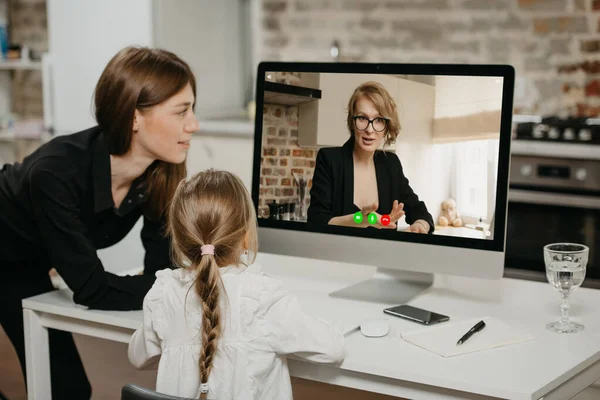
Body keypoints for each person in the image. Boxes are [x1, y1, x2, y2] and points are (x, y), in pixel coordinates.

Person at [0, 46, 199, 399]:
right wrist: (178, 289)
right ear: (134, 117)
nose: (193, 125)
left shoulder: (160, 173)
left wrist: (168, 286)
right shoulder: (56, 171)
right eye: (181, 111)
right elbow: (92, 289)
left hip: (26, 262)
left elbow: (159, 269)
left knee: (68, 389)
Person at [128, 170, 345, 399]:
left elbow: (138, 356)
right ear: (245, 235)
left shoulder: (164, 293)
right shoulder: (261, 298)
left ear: (180, 240)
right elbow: (333, 350)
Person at [307, 81, 434, 233]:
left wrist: (419, 226)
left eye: (379, 120)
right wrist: (359, 219)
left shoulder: (391, 164)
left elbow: (420, 212)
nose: (369, 129)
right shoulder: (330, 160)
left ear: (387, 126)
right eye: (362, 118)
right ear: (352, 121)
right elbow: (316, 220)